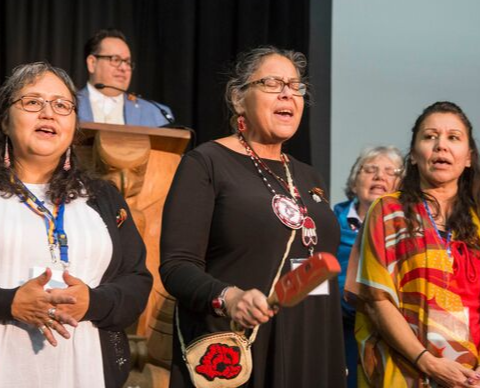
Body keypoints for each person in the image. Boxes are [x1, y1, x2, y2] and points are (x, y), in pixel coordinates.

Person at [160, 46, 346, 387]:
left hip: (311, 345)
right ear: (238, 98)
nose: (288, 93)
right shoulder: (207, 163)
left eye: (296, 86)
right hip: (241, 348)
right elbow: (177, 266)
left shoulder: (310, 177)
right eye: (273, 83)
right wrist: (229, 297)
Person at [0, 62, 152, 387]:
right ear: (5, 120)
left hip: (87, 372)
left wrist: (93, 302)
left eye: (61, 105)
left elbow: (137, 281)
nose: (48, 113)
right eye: (32, 102)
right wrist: (9, 303)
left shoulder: (103, 197)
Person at [346, 101, 480, 387]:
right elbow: (376, 301)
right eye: (430, 136)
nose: (441, 146)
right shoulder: (387, 211)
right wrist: (428, 363)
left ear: (468, 157)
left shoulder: (477, 222)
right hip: (404, 372)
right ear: (414, 156)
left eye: (453, 138)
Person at [334, 145, 403, 388]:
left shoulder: (411, 232)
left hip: (397, 345)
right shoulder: (327, 226)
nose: (379, 177)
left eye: (390, 172)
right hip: (342, 340)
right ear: (354, 183)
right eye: (370, 170)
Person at [77, 28, 173, 127]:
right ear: (92, 63)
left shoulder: (158, 114)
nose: (124, 68)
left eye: (127, 62)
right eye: (115, 59)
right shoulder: (69, 106)